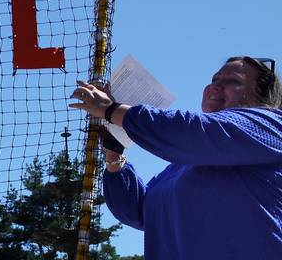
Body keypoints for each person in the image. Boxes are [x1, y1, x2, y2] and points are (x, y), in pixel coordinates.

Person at [69, 56, 282, 259]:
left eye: (233, 81)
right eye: (214, 80)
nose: (215, 86)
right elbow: (140, 213)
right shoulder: (185, 162)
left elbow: (196, 131)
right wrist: (114, 156)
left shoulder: (271, 125)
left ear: (264, 98)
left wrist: (111, 110)